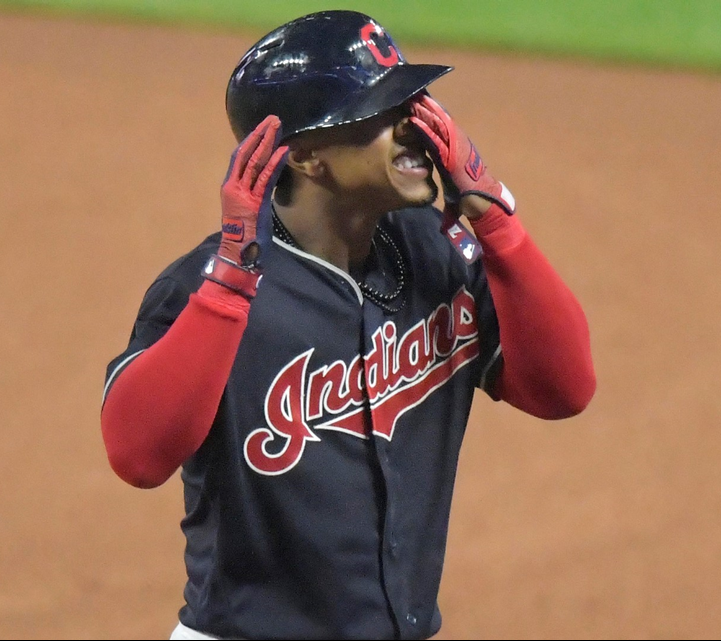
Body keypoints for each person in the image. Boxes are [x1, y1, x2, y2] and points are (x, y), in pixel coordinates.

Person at [99, 10, 595, 640]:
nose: (419, 128)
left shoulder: (437, 251)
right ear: (305, 155)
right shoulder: (206, 288)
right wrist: (226, 289)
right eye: (387, 112)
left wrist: (497, 224)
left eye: (415, 103)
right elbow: (136, 457)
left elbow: (564, 390)